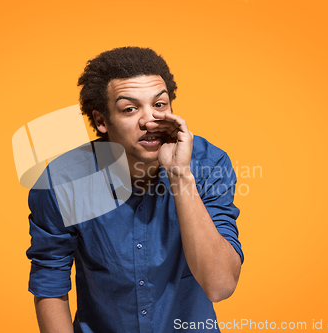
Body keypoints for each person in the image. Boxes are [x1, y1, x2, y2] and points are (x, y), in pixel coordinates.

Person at [26, 46, 244, 333]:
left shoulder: (209, 165)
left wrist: (180, 176)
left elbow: (220, 285)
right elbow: (50, 281)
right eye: (130, 108)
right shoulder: (63, 182)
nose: (149, 120)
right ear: (102, 121)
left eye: (159, 105)